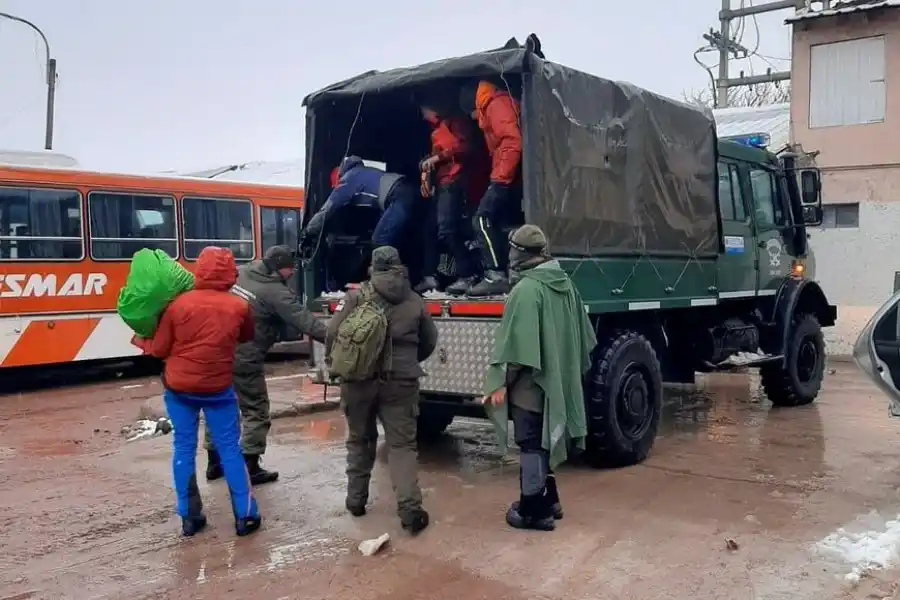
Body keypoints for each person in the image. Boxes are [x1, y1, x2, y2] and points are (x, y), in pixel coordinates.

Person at [132, 246, 262, 538]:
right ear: (230, 272)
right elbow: (246, 336)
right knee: (230, 449)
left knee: (183, 448)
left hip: (179, 389)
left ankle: (190, 517)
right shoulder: (239, 306)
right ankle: (246, 517)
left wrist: (141, 341)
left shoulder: (178, 305)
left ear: (199, 269)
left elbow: (162, 348)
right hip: (218, 388)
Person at [481, 225, 597, 531]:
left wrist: (499, 384)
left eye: (511, 248)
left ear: (520, 252)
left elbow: (517, 352)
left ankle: (534, 510)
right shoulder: (566, 285)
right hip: (556, 381)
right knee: (546, 440)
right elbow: (585, 338)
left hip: (531, 385)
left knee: (531, 441)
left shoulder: (526, 291)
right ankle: (552, 501)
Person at [326, 246, 438, 535]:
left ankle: (356, 501)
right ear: (398, 266)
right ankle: (410, 508)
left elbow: (333, 334)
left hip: (358, 381)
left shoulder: (355, 296)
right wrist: (408, 361)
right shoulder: (414, 300)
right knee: (402, 446)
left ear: (373, 267)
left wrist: (337, 364)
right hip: (401, 382)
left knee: (360, 440)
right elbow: (428, 341)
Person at [205, 245, 327, 485]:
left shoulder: (241, 271)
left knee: (219, 406)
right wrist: (341, 338)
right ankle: (251, 467)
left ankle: (214, 463)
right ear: (278, 268)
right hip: (245, 357)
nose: (292, 273)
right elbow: (307, 323)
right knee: (256, 410)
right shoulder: (275, 292)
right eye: (289, 269)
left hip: (217, 352)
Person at [302, 156, 430, 288]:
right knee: (407, 239)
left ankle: (384, 285)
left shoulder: (349, 178)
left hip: (399, 195)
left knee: (380, 241)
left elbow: (328, 208)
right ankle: (418, 279)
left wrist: (309, 230)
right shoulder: (368, 173)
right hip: (411, 191)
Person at [458, 80, 523, 297]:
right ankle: (504, 271)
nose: (473, 120)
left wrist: (500, 178)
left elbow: (512, 141)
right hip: (510, 175)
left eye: (471, 114)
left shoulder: (496, 105)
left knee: (481, 219)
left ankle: (495, 275)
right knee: (498, 223)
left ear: (474, 106)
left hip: (507, 175)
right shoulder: (495, 103)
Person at [418, 102, 476, 295]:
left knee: (448, 229)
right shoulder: (436, 129)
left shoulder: (454, 122)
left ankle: (467, 274)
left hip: (454, 181)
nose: (423, 114)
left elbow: (464, 147)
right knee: (430, 229)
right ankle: (430, 277)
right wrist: (426, 168)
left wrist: (437, 158)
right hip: (442, 183)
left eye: (424, 109)